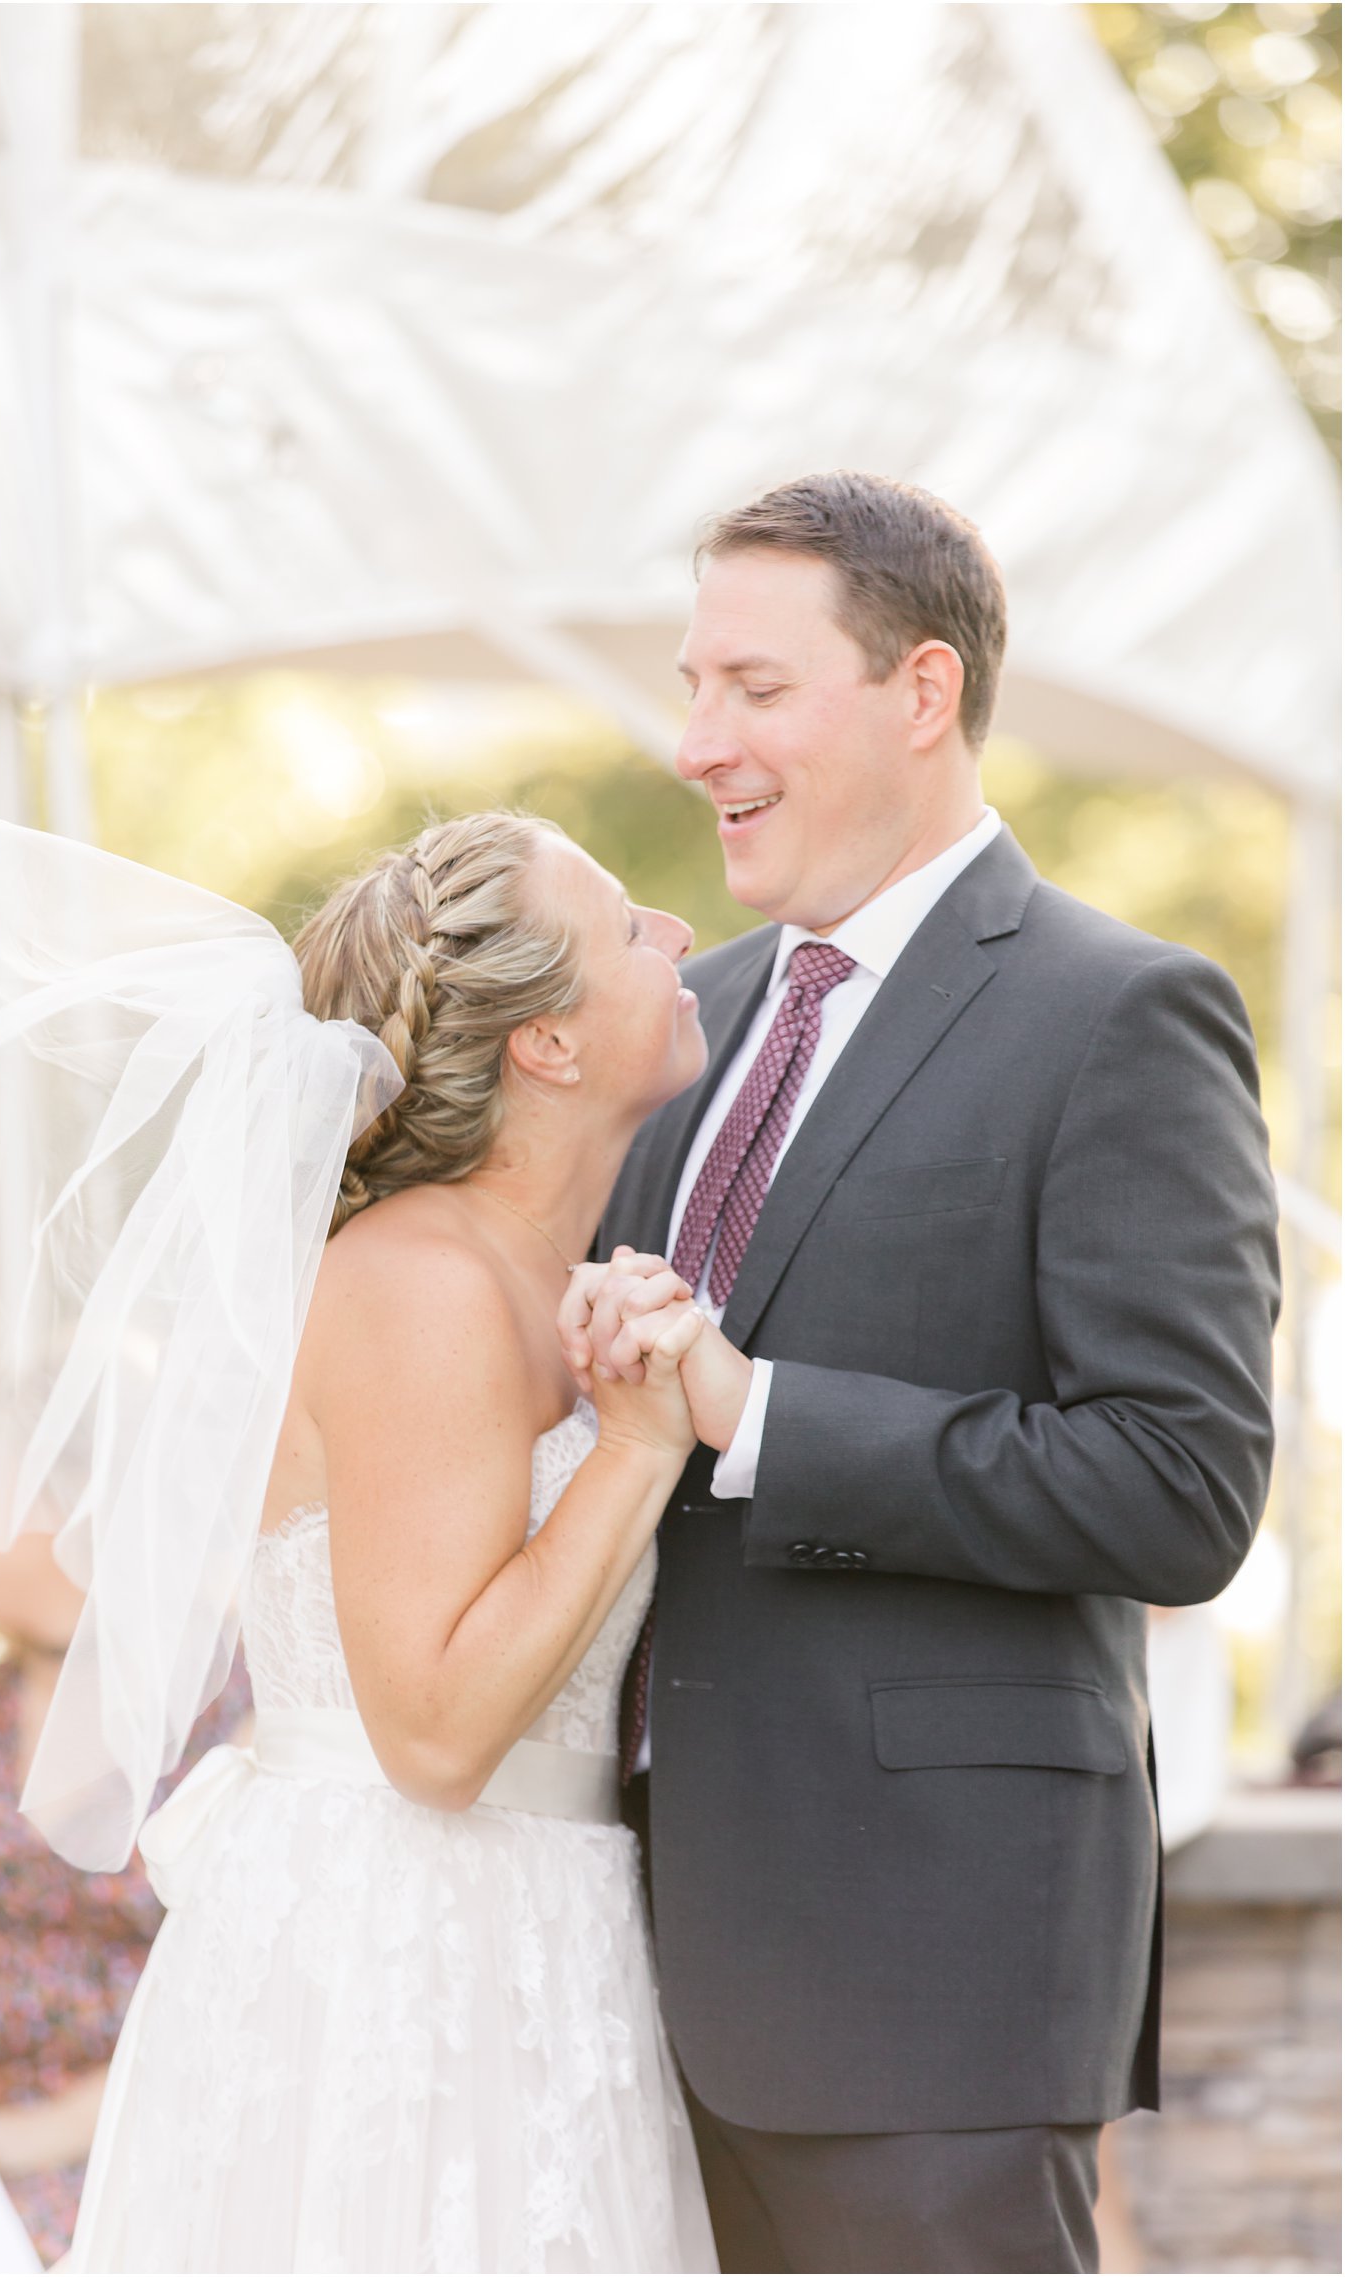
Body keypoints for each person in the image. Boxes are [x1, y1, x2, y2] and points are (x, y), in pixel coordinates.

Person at [561, 470, 1281, 2275]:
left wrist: (756, 1412)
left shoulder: (1120, 1014)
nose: (693, 739)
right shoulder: (692, 1020)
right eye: (690, 682)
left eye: (754, 687)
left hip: (929, 1980)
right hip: (623, 1966)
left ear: (924, 689)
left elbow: (1181, 1486)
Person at [0, 802, 718, 2273]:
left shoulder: (532, 1276)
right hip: (407, 1956)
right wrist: (635, 1450)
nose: (681, 935)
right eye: (632, 925)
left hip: (542, 1927)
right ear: (546, 1046)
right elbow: (436, 1737)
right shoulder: (416, 1283)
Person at [0, 1481, 251, 2267]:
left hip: (148, 2130)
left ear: (80, 1509)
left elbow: (239, 2014)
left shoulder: (234, 1718)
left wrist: (8, 2144)